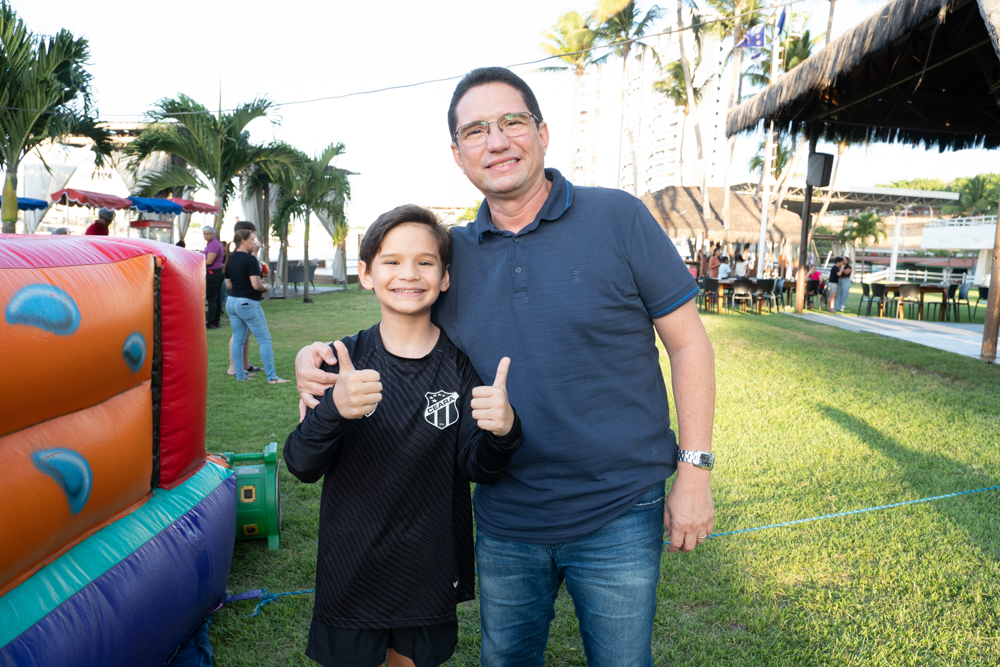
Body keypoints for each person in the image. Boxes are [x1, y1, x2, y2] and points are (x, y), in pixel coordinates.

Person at [295, 67, 715, 666]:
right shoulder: (452, 255)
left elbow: (690, 344)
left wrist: (694, 471)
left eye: (512, 122)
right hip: (504, 515)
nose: (496, 141)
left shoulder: (618, 219)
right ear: (458, 153)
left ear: (542, 131)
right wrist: (310, 356)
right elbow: (398, 307)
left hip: (620, 508)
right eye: (476, 130)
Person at [285, 205, 522, 667]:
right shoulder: (338, 362)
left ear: (445, 277)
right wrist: (335, 409)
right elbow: (301, 463)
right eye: (391, 261)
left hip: (427, 566)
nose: (408, 274)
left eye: (425, 262)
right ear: (366, 274)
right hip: (351, 567)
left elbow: (479, 468)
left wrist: (504, 430)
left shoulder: (460, 365)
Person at [224, 229, 287, 383]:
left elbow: (228, 284)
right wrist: (266, 287)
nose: (254, 242)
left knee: (238, 340)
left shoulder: (230, 259)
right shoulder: (250, 260)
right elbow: (256, 285)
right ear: (243, 241)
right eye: (252, 239)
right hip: (247, 303)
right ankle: (272, 377)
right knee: (264, 340)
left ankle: (240, 375)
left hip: (232, 302)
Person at [228, 220, 265, 376]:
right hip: (243, 300)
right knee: (238, 336)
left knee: (245, 333)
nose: (254, 236)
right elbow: (252, 278)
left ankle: (244, 364)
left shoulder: (240, 254)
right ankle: (234, 367)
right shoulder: (241, 255)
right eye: (251, 233)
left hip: (242, 299)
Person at [202, 226, 225, 329]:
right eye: (204, 234)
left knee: (212, 298)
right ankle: (215, 321)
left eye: (207, 234)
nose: (206, 236)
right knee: (216, 298)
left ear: (213, 234)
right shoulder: (211, 244)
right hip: (215, 272)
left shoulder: (214, 245)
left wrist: (198, 262)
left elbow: (209, 261)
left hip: (213, 272)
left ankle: (211, 322)